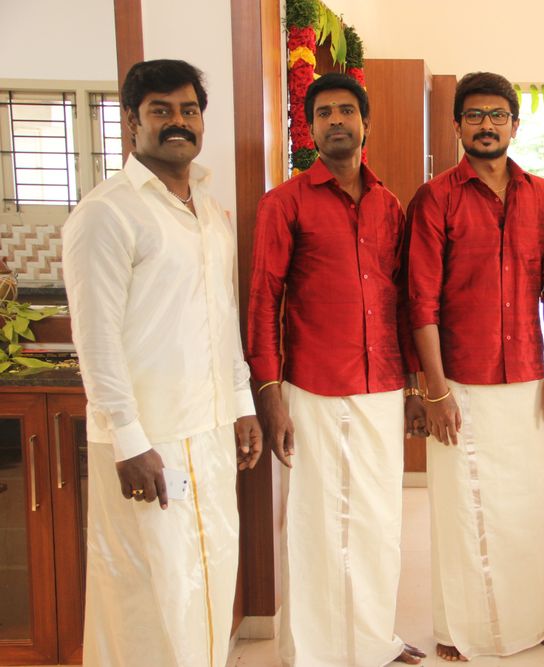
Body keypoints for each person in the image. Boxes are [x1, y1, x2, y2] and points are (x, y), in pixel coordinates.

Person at [62, 59, 263, 667]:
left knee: (207, 579)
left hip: (210, 433)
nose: (179, 122)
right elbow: (95, 339)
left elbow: (222, 319)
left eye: (189, 110)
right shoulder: (107, 212)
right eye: (161, 111)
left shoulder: (209, 211)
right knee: (148, 592)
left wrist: (241, 405)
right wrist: (128, 440)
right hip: (150, 441)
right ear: (132, 121)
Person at [247, 72, 426, 666]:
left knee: (378, 518)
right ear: (310, 128)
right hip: (315, 385)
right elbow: (263, 301)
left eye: (347, 111)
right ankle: (320, 651)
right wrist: (269, 394)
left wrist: (413, 385)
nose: (336, 121)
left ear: (365, 123)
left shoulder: (388, 204)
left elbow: (401, 300)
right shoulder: (284, 202)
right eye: (323, 113)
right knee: (319, 522)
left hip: (383, 385)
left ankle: (373, 642)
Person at [407, 71, 544, 662]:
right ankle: (459, 629)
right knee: (461, 506)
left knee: (526, 503)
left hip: (525, 374)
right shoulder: (435, 197)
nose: (486, 125)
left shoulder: (541, 195)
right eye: (474, 115)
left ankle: (532, 620)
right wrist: (434, 390)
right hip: (460, 377)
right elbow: (420, 301)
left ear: (515, 125)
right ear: (457, 125)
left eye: (497, 115)